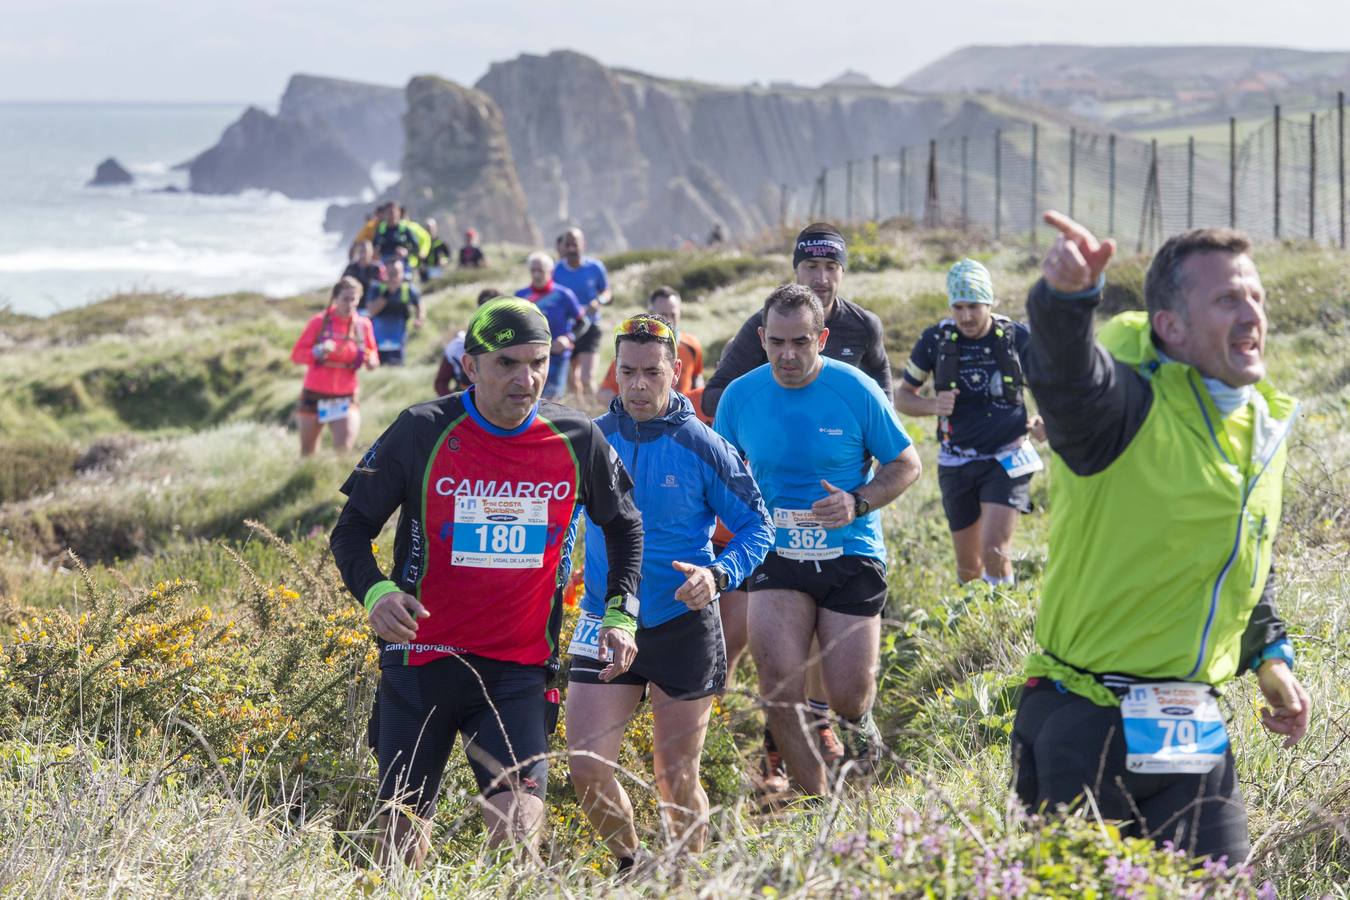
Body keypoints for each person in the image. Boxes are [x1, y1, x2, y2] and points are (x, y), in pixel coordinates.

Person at [1011, 211, 1310, 861]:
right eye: (1227, 298)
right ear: (1169, 326)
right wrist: (1065, 300)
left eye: (1255, 295)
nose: (1251, 312)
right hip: (1082, 722)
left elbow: (1235, 556)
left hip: (1191, 724)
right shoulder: (1121, 410)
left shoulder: (1257, 432)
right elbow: (1066, 379)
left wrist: (1270, 660)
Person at [329, 298, 644, 868]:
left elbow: (625, 527)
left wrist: (621, 613)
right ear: (471, 367)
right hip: (420, 661)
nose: (526, 379)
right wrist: (375, 592)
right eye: (506, 363)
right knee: (398, 844)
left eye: (538, 362)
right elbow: (350, 531)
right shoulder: (420, 430)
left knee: (518, 838)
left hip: (517, 672)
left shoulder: (575, 437)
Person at [567, 313, 772, 873]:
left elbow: (760, 526)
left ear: (675, 372)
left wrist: (719, 575)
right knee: (585, 765)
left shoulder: (702, 444)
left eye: (651, 373)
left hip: (683, 621)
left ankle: (688, 880)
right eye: (627, 372)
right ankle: (633, 864)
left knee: (675, 777)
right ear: (614, 371)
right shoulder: (591, 440)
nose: (637, 385)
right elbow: (561, 521)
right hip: (605, 620)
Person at [702, 223, 893, 787]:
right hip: (776, 544)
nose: (821, 274)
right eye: (776, 343)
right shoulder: (751, 371)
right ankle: (805, 788)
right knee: (780, 677)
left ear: (824, 337)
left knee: (848, 690)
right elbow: (717, 416)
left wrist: (860, 497)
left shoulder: (860, 346)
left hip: (847, 534)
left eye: (830, 265)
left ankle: (853, 730)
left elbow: (894, 435)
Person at [895, 258, 1046, 585]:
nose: (965, 316)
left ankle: (1004, 621)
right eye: (958, 306)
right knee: (968, 567)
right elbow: (903, 396)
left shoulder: (1014, 337)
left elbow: (1053, 389)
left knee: (995, 550)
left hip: (1008, 455)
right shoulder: (936, 340)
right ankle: (974, 624)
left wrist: (1044, 420)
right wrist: (934, 404)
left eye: (974, 306)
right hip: (956, 461)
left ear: (990, 303)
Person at [290, 276, 378, 456]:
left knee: (343, 451)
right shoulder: (318, 322)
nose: (350, 304)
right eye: (345, 299)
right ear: (335, 299)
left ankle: (335, 482)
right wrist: (316, 353)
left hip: (345, 396)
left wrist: (371, 361)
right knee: (308, 454)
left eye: (354, 299)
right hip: (314, 395)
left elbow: (373, 355)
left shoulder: (363, 326)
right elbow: (296, 355)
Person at [597, 287, 707, 422]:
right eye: (663, 315)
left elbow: (698, 379)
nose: (669, 320)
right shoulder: (632, 353)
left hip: (680, 419)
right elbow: (603, 393)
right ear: (651, 314)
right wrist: (631, 404)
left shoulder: (692, 345)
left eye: (673, 315)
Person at [516, 252, 589, 401]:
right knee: (530, 399)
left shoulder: (564, 295)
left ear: (551, 271)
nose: (536, 275)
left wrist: (568, 338)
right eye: (533, 270)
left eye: (541, 270)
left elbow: (583, 322)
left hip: (557, 356)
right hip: (528, 358)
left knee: (552, 401)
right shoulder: (521, 296)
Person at [553, 227, 611, 402]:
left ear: (583, 245)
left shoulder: (595, 267)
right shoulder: (556, 271)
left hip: (591, 326)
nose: (571, 248)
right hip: (567, 329)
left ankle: (595, 415)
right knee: (572, 382)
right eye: (568, 244)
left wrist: (599, 301)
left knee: (587, 379)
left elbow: (607, 292)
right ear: (562, 247)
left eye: (575, 244)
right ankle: (581, 416)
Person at [434, 288, 500, 396]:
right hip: (470, 406)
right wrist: (456, 405)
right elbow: (440, 383)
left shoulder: (518, 345)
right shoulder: (458, 347)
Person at [363, 262, 423, 365]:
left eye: (396, 273)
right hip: (378, 339)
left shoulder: (407, 289)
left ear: (402, 273)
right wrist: (387, 294)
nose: (393, 277)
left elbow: (419, 304)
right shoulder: (376, 288)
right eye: (390, 273)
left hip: (399, 339)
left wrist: (419, 319)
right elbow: (371, 311)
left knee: (397, 366)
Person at [373, 203, 431, 275]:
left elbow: (416, 248)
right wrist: (376, 251)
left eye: (393, 212)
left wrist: (406, 252)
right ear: (384, 214)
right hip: (385, 265)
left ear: (398, 213)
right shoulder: (380, 230)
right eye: (389, 213)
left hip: (403, 264)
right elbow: (373, 247)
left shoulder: (404, 229)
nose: (391, 215)